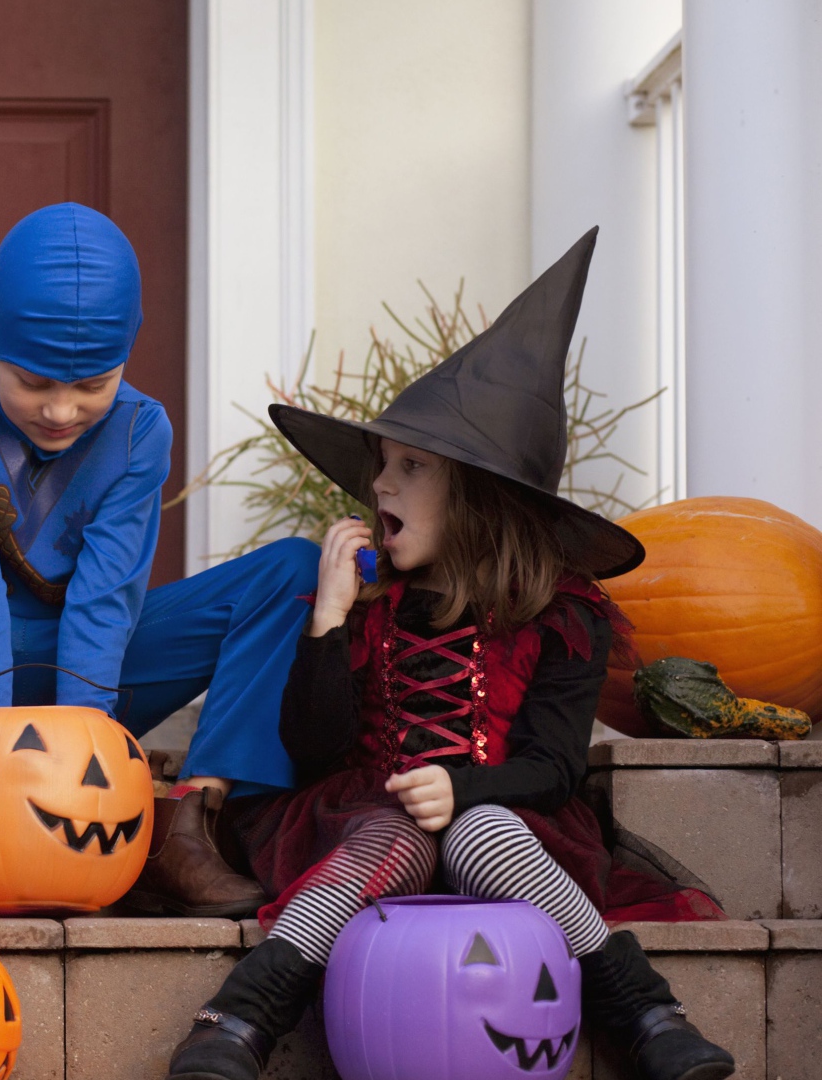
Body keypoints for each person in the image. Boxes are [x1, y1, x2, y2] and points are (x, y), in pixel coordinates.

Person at [165, 230, 732, 1080]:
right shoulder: (369, 605)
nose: (379, 485)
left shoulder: (562, 617)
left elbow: (553, 768)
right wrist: (327, 622)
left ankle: (649, 1014)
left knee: (478, 827)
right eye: (381, 465)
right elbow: (312, 749)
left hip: (507, 821)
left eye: (410, 466)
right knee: (399, 827)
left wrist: (463, 789)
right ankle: (237, 1020)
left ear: (479, 496)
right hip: (367, 821)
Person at [0, 203, 319, 915]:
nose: (62, 411)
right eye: (35, 383)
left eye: (92, 385)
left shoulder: (141, 429)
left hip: (105, 676)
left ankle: (185, 829)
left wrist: (79, 754)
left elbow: (109, 594)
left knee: (292, 572)